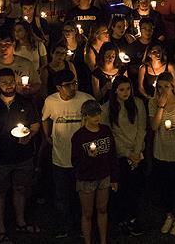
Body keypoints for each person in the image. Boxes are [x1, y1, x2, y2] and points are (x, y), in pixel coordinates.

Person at [0, 68, 42, 242]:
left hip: (23, 157)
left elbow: (35, 125)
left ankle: (20, 222)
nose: (9, 85)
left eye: (11, 82)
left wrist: (29, 136)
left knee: (20, 189)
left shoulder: (26, 103)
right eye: (4, 82)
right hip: (0, 158)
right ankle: (1, 229)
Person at [41, 69, 94, 238]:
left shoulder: (86, 99)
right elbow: (45, 119)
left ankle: (82, 226)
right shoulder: (51, 101)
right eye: (68, 85)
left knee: (82, 195)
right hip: (61, 157)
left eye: (74, 83)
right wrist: (48, 136)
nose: (73, 87)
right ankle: (64, 225)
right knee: (62, 195)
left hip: (82, 158)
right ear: (58, 87)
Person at [101, 76, 146, 237]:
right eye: (121, 90)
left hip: (137, 153)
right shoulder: (107, 109)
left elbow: (142, 128)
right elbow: (110, 134)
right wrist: (127, 154)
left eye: (128, 89)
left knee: (135, 188)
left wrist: (136, 151)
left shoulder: (138, 104)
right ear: (115, 91)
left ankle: (133, 218)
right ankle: (121, 219)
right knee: (121, 189)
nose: (125, 92)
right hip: (119, 155)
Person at [148, 72, 175, 236]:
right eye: (160, 87)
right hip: (161, 150)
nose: (163, 90)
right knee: (164, 185)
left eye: (166, 86)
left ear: (173, 86)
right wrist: (161, 107)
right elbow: (154, 126)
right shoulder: (153, 102)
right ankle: (168, 214)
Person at [71, 100, 118, 244]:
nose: (97, 117)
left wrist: (114, 178)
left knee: (102, 209)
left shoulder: (105, 131)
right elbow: (76, 162)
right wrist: (89, 158)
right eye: (93, 115)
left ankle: (103, 240)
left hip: (104, 176)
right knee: (87, 213)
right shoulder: (79, 136)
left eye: (98, 113)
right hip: (87, 179)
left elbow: (112, 155)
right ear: (85, 116)